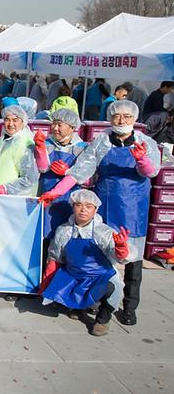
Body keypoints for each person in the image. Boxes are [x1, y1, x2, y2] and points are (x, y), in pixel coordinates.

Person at [41, 100, 160, 326]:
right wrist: (55, 193)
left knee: (132, 258)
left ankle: (129, 306)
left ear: (134, 119)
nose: (121, 120)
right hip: (103, 203)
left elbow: (152, 171)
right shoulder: (101, 141)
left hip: (133, 207)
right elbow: (79, 172)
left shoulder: (147, 143)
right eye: (116, 116)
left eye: (126, 116)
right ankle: (93, 300)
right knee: (96, 255)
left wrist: (142, 159)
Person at [39, 190, 132, 336]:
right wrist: (46, 283)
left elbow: (119, 258)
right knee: (57, 293)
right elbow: (56, 257)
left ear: (95, 210)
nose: (83, 209)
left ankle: (103, 320)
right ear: (73, 207)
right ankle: (77, 307)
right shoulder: (63, 231)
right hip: (74, 274)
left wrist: (121, 248)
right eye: (79, 205)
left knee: (113, 288)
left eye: (89, 206)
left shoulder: (104, 232)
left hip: (100, 275)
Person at [34, 109, 88, 242]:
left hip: (69, 199)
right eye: (54, 124)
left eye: (60, 125)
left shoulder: (82, 148)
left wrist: (68, 172)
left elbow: (86, 179)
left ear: (72, 128)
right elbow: (42, 168)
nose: (55, 128)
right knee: (45, 235)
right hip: (46, 196)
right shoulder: (48, 143)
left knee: (65, 236)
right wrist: (40, 148)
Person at [0, 105, 39, 196]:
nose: (10, 124)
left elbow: (29, 179)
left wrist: (6, 189)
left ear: (23, 122)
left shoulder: (26, 144)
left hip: (15, 201)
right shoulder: (0, 142)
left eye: (15, 120)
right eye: (7, 119)